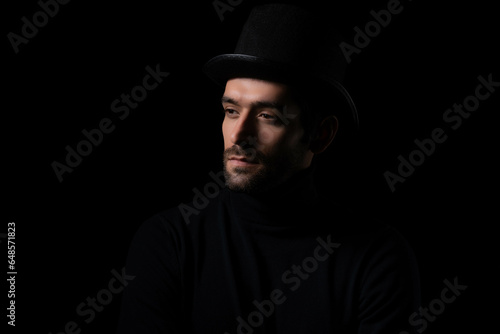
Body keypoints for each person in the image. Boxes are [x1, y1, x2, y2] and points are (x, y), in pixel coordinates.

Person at [116, 4, 420, 334]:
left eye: (267, 116)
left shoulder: (378, 259)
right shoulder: (168, 242)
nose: (239, 134)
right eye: (232, 110)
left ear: (321, 134)